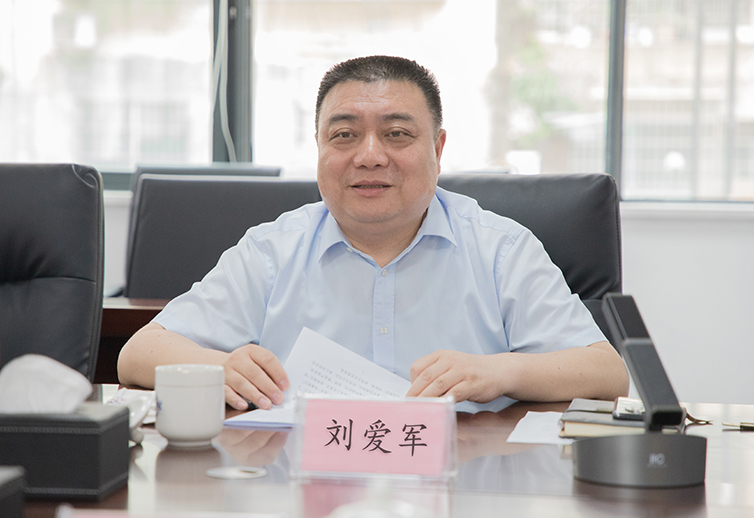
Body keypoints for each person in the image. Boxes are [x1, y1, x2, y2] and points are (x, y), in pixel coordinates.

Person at [118, 55, 628, 413]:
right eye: (344, 135)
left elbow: (608, 373)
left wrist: (500, 372)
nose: (369, 156)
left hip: (461, 478)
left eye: (396, 134)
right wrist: (222, 366)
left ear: (438, 149)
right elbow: (138, 354)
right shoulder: (272, 250)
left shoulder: (501, 249)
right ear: (319, 147)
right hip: (303, 482)